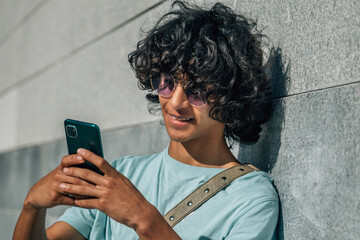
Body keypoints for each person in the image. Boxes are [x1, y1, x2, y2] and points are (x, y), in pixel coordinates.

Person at [13, 1, 279, 239]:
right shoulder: (122, 175)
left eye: (197, 90)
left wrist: (143, 218)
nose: (175, 102)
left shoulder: (250, 198)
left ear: (230, 96)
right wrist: (31, 207)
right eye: (166, 82)